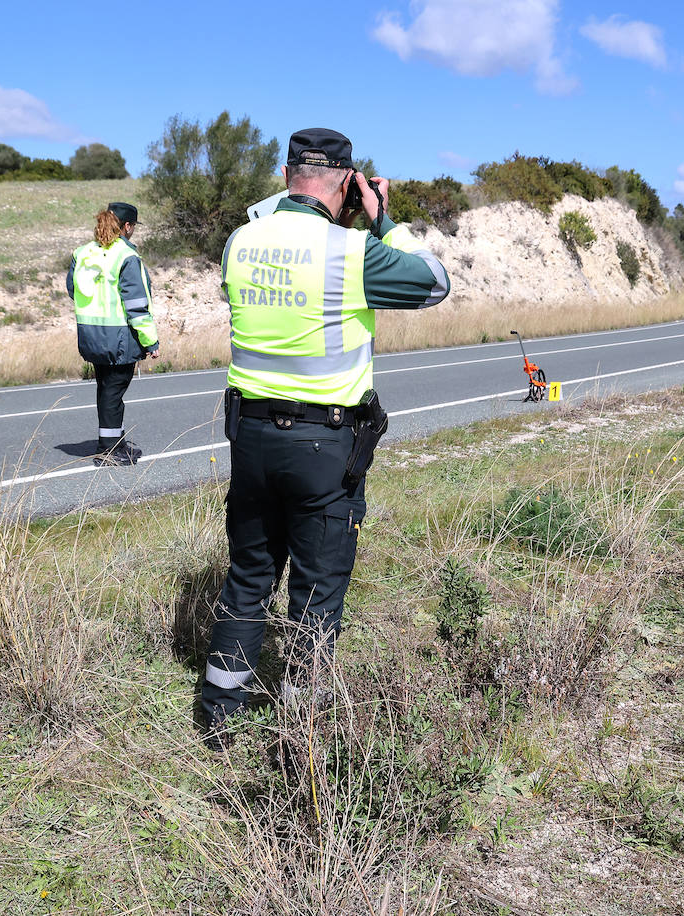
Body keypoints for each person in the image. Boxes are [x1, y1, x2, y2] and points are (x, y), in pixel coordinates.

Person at [201, 127, 450, 745]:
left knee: (250, 571)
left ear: (287, 174)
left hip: (251, 437)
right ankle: (301, 724)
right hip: (323, 443)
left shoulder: (240, 241)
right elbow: (435, 282)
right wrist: (384, 218)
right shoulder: (350, 250)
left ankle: (217, 717)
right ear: (344, 182)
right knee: (319, 580)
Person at [66, 202, 162, 466]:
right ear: (127, 226)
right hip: (119, 337)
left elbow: (73, 290)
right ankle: (109, 450)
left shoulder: (82, 253)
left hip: (90, 335)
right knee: (113, 393)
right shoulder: (126, 256)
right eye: (133, 227)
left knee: (106, 390)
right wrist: (150, 340)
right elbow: (136, 305)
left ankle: (112, 443)